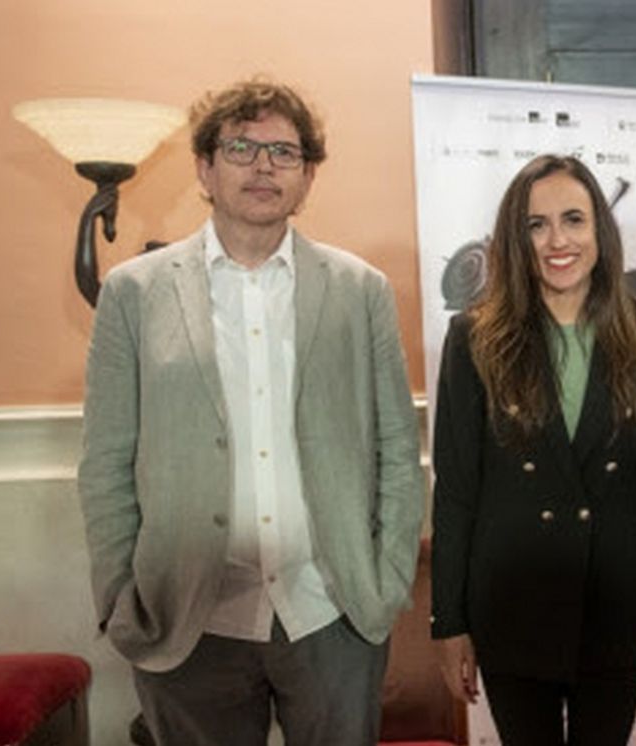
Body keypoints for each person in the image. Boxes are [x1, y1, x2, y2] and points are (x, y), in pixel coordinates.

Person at [76, 78, 424, 745]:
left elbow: (396, 452)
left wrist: (383, 585)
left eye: (284, 152)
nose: (264, 166)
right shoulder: (135, 294)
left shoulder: (360, 292)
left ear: (308, 175)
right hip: (187, 620)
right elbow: (105, 465)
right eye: (241, 147)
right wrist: (122, 601)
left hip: (332, 611)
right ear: (205, 168)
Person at [430, 154, 636, 745]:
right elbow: (457, 492)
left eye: (573, 219)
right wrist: (450, 622)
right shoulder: (474, 338)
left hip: (617, 604)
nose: (557, 240)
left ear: (600, 229)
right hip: (512, 604)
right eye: (535, 224)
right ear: (515, 240)